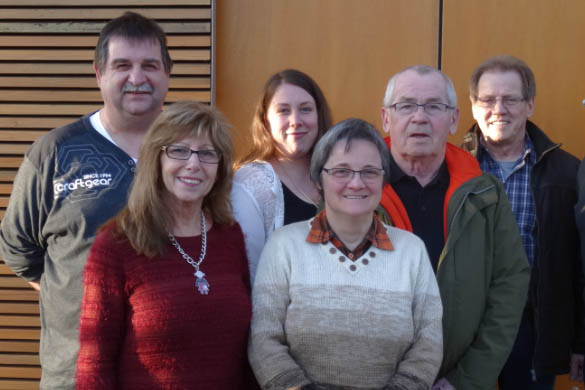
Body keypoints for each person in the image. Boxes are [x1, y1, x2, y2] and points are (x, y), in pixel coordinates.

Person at [0, 12, 171, 389]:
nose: (137, 78)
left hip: (171, 368)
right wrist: (77, 292)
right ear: (99, 73)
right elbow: (17, 247)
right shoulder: (55, 152)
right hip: (75, 370)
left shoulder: (192, 150)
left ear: (166, 74)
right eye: (122, 65)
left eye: (150, 66)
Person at [249, 118, 443, 390]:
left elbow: (429, 341)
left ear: (383, 180)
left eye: (369, 172)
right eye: (341, 171)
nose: (356, 183)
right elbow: (263, 339)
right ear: (319, 178)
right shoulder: (284, 246)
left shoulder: (412, 251)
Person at [75, 101, 257, 389]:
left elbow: (246, 353)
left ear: (220, 168)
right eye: (179, 150)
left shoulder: (229, 235)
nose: (193, 164)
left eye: (207, 153)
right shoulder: (117, 243)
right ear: (155, 159)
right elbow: (94, 363)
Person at [379, 65, 530, 390]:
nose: (419, 117)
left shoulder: (485, 193)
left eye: (434, 106)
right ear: (386, 118)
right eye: (406, 105)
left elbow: (509, 284)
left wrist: (466, 380)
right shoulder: (352, 189)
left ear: (453, 120)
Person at [462, 55, 585, 389]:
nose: (498, 109)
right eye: (487, 99)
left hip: (533, 330)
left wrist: (580, 342)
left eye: (511, 99)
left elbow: (579, 266)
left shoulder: (568, 174)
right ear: (473, 107)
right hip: (462, 330)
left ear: (529, 104)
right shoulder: (452, 169)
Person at [231, 69, 332, 280]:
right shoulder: (251, 184)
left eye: (305, 109)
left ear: (318, 116)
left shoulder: (335, 175)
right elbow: (251, 272)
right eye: (283, 111)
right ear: (266, 121)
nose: (295, 120)